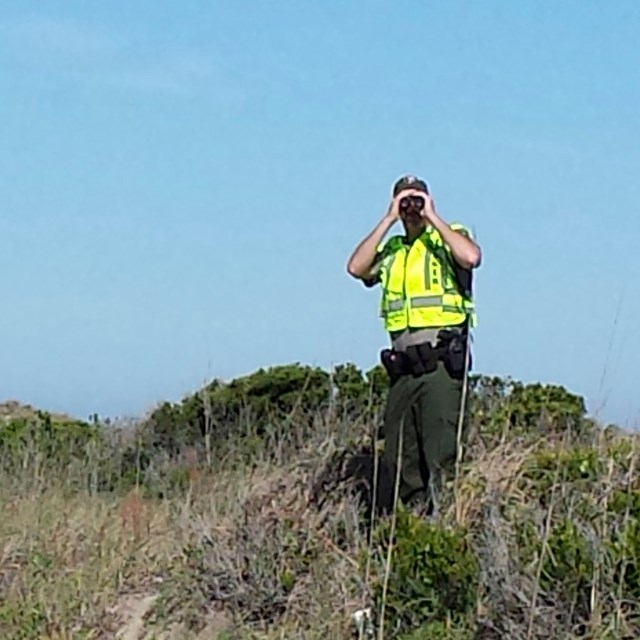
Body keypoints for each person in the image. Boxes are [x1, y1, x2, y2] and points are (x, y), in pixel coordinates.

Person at [346, 174, 482, 515]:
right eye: (405, 200)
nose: (411, 207)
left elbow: (471, 257)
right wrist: (388, 218)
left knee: (441, 455)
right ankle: (413, 529)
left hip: (439, 366)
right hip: (402, 370)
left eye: (416, 199)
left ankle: (449, 524)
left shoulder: (448, 238)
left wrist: (433, 216)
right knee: (399, 457)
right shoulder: (393, 251)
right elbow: (355, 267)